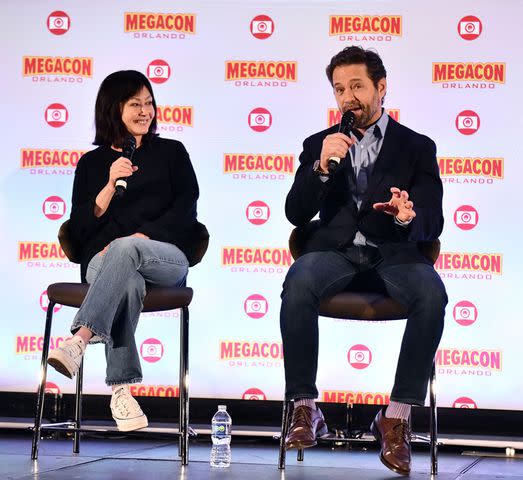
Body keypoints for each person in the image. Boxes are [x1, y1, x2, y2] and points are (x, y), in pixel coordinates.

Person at [280, 46, 447, 475]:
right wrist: (319, 168)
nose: (348, 97)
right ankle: (304, 408)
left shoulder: (416, 146)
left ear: (381, 87)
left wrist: (409, 216)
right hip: (335, 253)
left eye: (357, 86)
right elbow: (296, 213)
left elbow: (434, 217)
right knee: (298, 280)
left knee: (432, 294)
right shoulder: (320, 144)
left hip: (394, 254)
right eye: (340, 89)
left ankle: (396, 416)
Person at [47, 70, 201, 432]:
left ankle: (80, 339)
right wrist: (106, 186)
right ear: (113, 109)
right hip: (104, 264)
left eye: (149, 103)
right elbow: (80, 231)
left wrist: (144, 237)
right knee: (127, 282)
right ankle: (121, 391)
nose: (145, 111)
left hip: (165, 257)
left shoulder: (172, 153)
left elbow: (186, 211)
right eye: (135, 104)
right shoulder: (91, 164)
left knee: (128, 248)